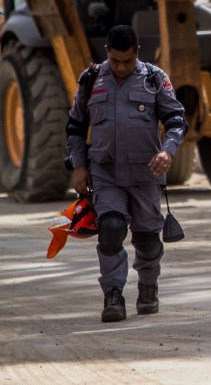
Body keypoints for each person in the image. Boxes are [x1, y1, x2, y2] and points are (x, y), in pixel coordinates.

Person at [66, 25, 187, 323]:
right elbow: (76, 127)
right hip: (105, 173)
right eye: (116, 60)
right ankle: (113, 295)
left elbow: (176, 120)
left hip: (146, 174)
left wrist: (167, 151)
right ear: (107, 52)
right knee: (111, 229)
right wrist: (80, 167)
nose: (121, 67)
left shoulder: (154, 79)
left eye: (128, 61)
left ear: (137, 54)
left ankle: (148, 287)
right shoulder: (91, 79)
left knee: (146, 240)